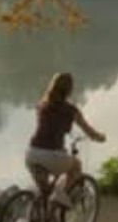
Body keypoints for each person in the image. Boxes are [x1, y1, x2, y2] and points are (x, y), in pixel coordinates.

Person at [26, 72, 106, 208]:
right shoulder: (71, 110)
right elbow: (89, 131)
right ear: (69, 90)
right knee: (76, 166)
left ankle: (29, 221)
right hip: (51, 156)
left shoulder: (42, 105)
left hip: (32, 154)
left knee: (43, 191)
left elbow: (48, 130)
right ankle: (60, 195)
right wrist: (100, 137)